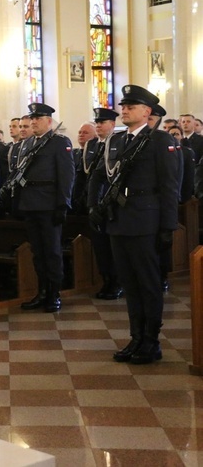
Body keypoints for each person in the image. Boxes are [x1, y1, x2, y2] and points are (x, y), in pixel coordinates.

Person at [88, 85, 178, 365]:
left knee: (148, 283)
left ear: (146, 112)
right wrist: (95, 206)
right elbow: (102, 176)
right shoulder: (116, 142)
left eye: (131, 106)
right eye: (123, 106)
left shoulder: (159, 140)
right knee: (129, 283)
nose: (124, 110)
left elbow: (169, 187)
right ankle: (136, 337)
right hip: (119, 221)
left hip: (145, 220)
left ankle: (151, 341)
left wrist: (167, 227)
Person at [17, 103, 75, 313]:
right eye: (32, 118)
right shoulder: (28, 143)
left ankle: (53, 294)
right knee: (37, 252)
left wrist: (63, 204)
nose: (33, 122)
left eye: (38, 119)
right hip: (31, 204)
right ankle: (41, 292)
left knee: (51, 252)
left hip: (50, 205)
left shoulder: (59, 143)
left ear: (49, 121)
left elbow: (67, 176)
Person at [87, 108, 123, 300]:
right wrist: (91, 204)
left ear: (112, 124)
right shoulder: (92, 145)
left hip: (112, 204)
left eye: (103, 122)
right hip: (96, 204)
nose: (98, 125)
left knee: (112, 247)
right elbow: (92, 176)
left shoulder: (119, 143)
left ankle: (117, 282)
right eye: (97, 122)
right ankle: (106, 280)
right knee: (100, 247)